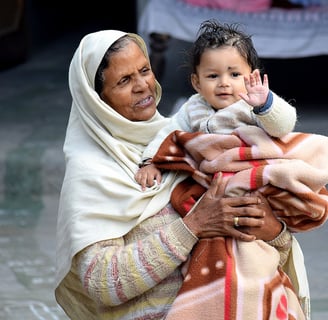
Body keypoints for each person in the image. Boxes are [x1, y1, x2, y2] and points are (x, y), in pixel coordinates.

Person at [54, 29, 309, 320]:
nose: (142, 86)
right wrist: (193, 226)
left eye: (145, 71)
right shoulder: (93, 171)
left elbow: (265, 245)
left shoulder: (187, 140)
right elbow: (104, 283)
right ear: (97, 98)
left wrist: (273, 231)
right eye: (124, 80)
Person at [135, 19, 297, 190]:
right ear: (197, 83)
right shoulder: (193, 107)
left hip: (253, 173)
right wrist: (150, 162)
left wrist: (265, 105)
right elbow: (167, 134)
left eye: (234, 74)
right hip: (212, 179)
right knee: (180, 195)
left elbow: (283, 128)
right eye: (213, 76)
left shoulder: (254, 104)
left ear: (251, 76)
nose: (224, 83)